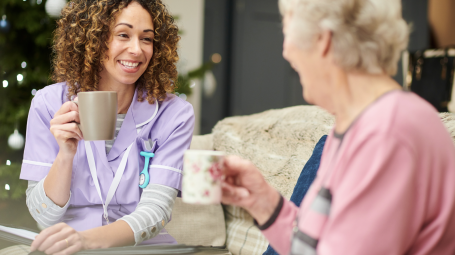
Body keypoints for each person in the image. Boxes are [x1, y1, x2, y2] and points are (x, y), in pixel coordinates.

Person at [221, 0, 455, 254]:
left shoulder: (389, 132)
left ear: (324, 40)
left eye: (288, 33)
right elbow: (315, 247)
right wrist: (263, 201)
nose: (286, 52)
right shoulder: (352, 125)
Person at [19, 0, 194, 254]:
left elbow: (157, 211)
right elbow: (43, 216)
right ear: (93, 38)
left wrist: (88, 240)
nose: (137, 49)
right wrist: (65, 155)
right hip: (69, 248)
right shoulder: (48, 104)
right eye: (123, 34)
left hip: (142, 248)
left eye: (147, 39)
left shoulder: (174, 114)